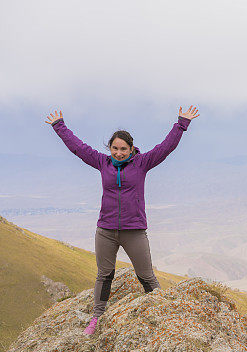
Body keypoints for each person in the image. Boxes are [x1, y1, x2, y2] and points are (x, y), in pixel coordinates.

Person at [45, 106, 200, 335]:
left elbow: (166, 148)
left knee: (146, 276)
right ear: (110, 148)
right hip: (105, 230)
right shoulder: (102, 162)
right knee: (104, 275)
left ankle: (163, 314)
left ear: (131, 149)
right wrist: (59, 126)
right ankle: (96, 318)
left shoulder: (142, 163)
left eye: (123, 149)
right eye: (115, 148)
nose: (118, 153)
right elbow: (78, 148)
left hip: (134, 230)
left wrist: (181, 124)